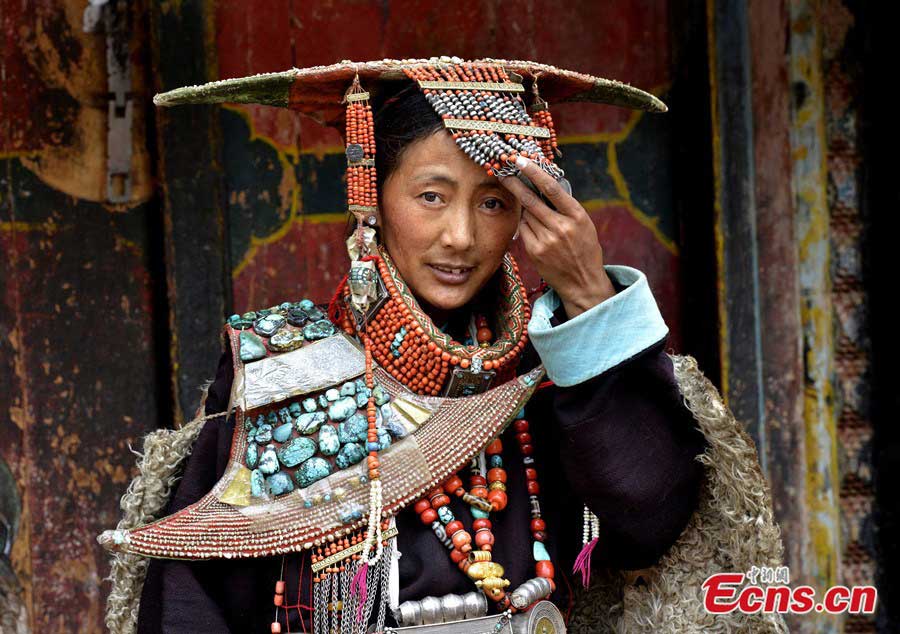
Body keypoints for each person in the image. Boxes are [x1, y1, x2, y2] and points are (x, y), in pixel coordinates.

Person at [100, 58, 787, 634]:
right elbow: (192, 605)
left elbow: (647, 521)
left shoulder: (550, 375)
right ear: (372, 194)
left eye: (493, 202)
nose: (461, 235)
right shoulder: (281, 368)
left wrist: (586, 296)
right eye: (432, 196)